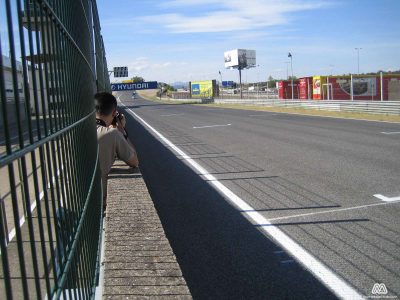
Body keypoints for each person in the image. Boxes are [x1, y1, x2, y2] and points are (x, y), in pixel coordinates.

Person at [94, 92, 139, 209]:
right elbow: (134, 161)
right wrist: (121, 130)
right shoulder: (112, 134)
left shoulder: (77, 130)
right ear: (114, 113)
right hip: (97, 203)